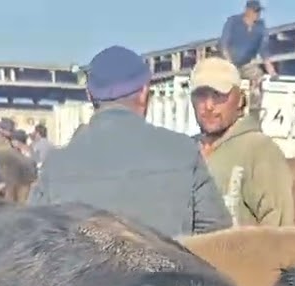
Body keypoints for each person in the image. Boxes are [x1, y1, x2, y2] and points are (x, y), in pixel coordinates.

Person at [28, 45, 231, 236]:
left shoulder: (54, 166)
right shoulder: (183, 151)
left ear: (90, 95)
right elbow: (217, 236)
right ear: (144, 91)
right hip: (168, 273)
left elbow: (30, 242)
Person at [190, 56, 294, 227]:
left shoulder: (259, 150)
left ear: (239, 99)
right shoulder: (185, 150)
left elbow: (280, 230)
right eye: (200, 95)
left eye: (218, 95)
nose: (208, 106)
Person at [219, 0, 275, 117]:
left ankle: (255, 111)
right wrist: (230, 64)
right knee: (228, 84)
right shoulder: (233, 22)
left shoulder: (260, 27)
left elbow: (264, 51)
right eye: (255, 11)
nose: (257, 14)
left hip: (246, 64)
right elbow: (224, 45)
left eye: (259, 12)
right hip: (229, 63)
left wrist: (272, 72)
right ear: (247, 11)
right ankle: (229, 110)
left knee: (258, 76)